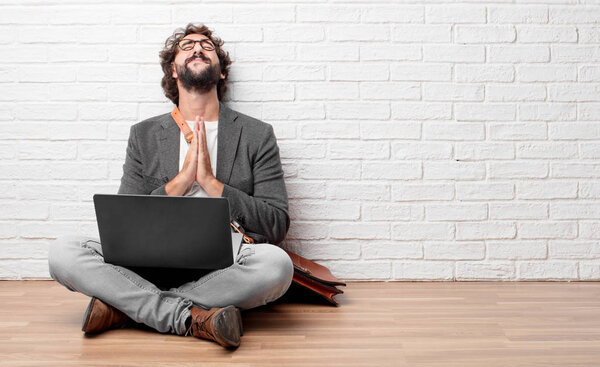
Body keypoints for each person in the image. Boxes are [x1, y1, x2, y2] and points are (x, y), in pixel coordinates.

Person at [48, 23, 294, 349]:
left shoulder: (255, 134)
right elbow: (124, 224)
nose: (197, 48)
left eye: (207, 46)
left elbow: (276, 223)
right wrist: (179, 183)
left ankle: (126, 309)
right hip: (149, 258)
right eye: (187, 45)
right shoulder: (145, 135)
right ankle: (191, 317)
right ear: (173, 71)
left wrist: (212, 184)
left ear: (221, 73)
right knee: (63, 251)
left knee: (277, 266)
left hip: (226, 260)